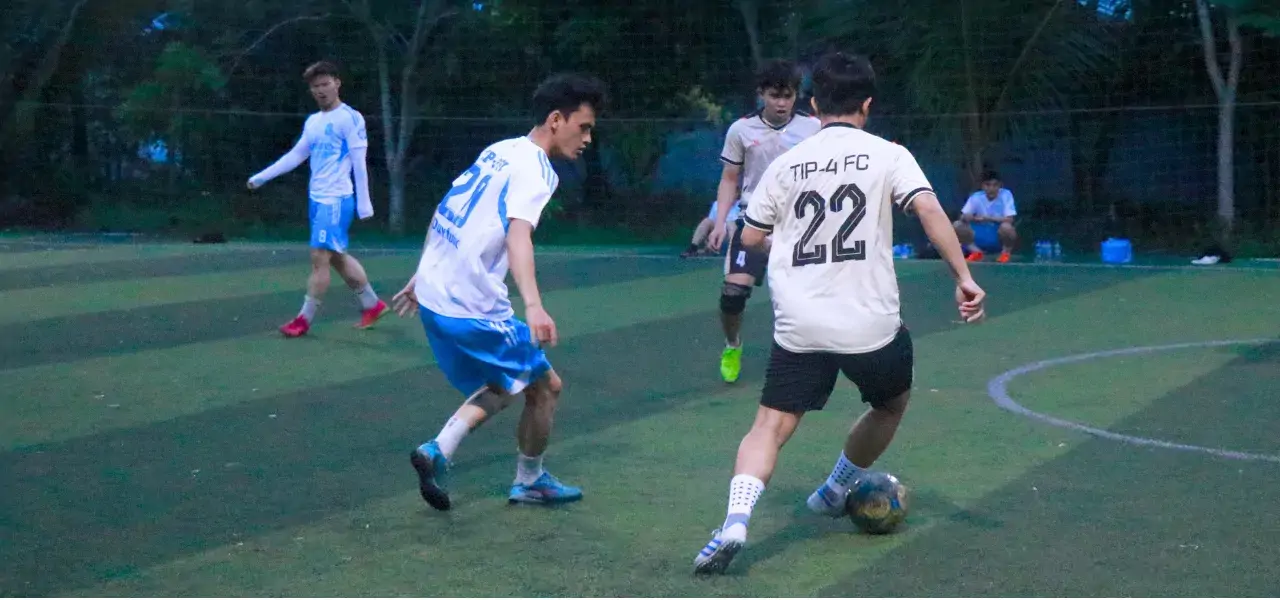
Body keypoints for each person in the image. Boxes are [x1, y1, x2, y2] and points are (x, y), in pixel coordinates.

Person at [692, 51, 987, 575]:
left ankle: (735, 521)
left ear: (813, 106)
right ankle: (834, 488)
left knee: (770, 425)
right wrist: (963, 277)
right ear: (867, 105)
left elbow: (751, 238)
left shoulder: (786, 164)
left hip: (800, 324)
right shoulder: (889, 154)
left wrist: (782, 239)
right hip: (871, 324)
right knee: (890, 403)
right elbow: (927, 209)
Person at [390, 73, 606, 510]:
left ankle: (440, 450)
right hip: (471, 305)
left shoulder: (500, 150)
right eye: (583, 127)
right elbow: (518, 236)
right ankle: (526, 480)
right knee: (546, 386)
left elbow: (445, 207)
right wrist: (534, 306)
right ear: (556, 119)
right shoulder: (538, 170)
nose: (587, 139)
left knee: (509, 381)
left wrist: (421, 272)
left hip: (435, 296)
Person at [247, 61, 388, 337]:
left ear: (337, 83)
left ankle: (303, 320)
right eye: (315, 86)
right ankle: (372, 304)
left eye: (325, 84)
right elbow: (296, 155)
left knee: (319, 257)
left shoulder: (350, 118)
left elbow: (359, 162)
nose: (321, 90)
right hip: (317, 198)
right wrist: (262, 177)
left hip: (336, 199)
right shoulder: (313, 122)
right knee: (336, 257)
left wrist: (365, 203)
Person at [706, 59, 822, 383]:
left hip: (798, 225)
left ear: (796, 95)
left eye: (788, 96)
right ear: (761, 94)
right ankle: (732, 345)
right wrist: (719, 223)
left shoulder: (813, 128)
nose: (781, 103)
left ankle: (804, 356)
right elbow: (730, 178)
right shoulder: (741, 130)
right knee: (733, 294)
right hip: (753, 221)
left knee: (802, 298)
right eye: (775, 96)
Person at [953, 170, 1018, 263]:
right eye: (988, 185)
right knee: (957, 225)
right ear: (982, 186)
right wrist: (968, 217)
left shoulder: (1006, 194)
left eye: (995, 185)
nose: (991, 188)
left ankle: (1005, 254)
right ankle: (977, 253)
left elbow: (1010, 219)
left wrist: (987, 218)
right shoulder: (976, 197)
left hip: (997, 236)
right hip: (978, 235)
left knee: (1007, 227)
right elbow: (962, 217)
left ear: (1000, 186)